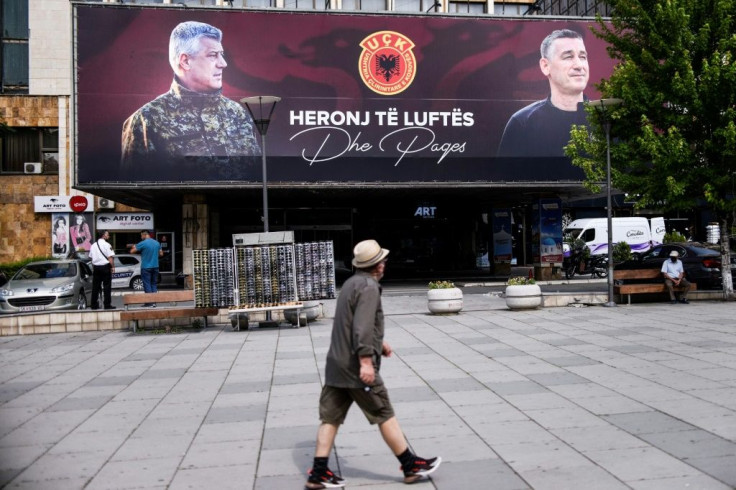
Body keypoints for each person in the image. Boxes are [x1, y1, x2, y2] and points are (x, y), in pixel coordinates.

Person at [305, 239, 441, 489]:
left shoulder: (350, 283)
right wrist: (367, 361)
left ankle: (319, 473)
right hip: (356, 368)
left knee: (330, 419)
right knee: (383, 412)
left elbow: (351, 323)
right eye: (383, 260)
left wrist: (380, 344)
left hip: (336, 365)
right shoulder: (368, 287)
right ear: (377, 266)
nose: (385, 263)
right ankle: (410, 465)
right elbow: (361, 327)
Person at [120, 21, 260, 181]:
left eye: (222, 55)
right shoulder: (146, 120)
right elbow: (136, 188)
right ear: (185, 61)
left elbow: (256, 177)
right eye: (213, 55)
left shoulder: (237, 113)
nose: (223, 64)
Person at [497, 29, 590, 157]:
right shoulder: (522, 123)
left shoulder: (608, 122)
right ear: (545, 66)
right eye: (568, 57)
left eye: (583, 57)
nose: (579, 65)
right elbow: (506, 176)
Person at [130, 230, 163, 307]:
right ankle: (154, 302)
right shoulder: (157, 243)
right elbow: (161, 253)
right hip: (155, 266)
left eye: (141, 236)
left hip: (146, 267)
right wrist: (154, 256)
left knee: (147, 284)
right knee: (154, 284)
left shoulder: (142, 243)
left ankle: (149, 303)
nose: (141, 237)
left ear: (144, 235)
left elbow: (132, 251)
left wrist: (134, 246)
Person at [89, 230, 116, 310]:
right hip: (105, 267)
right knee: (107, 287)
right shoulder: (107, 245)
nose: (109, 236)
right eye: (107, 234)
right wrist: (113, 267)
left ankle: (93, 305)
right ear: (103, 236)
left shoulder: (93, 245)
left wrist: (94, 267)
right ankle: (107, 305)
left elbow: (91, 258)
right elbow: (110, 258)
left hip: (96, 268)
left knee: (95, 287)